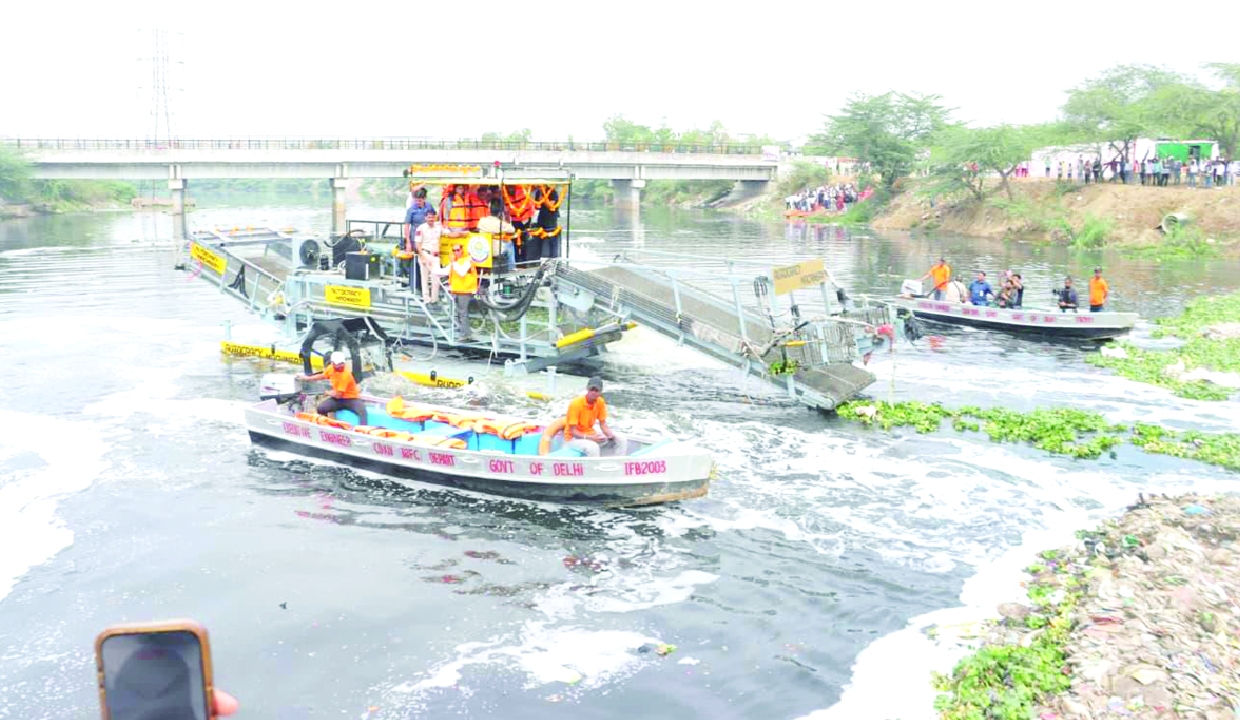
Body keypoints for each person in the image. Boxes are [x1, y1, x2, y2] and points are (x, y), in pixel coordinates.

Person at [297, 351, 367, 425]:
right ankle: (325, 424)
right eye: (337, 364)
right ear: (332, 363)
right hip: (338, 400)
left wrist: (327, 392)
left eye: (341, 363)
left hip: (351, 399)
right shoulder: (330, 368)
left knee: (362, 412)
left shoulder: (345, 375)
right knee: (321, 408)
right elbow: (322, 376)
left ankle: (363, 430)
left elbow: (338, 394)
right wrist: (307, 378)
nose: (340, 366)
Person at [563, 376, 617, 458]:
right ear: (587, 389)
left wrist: (609, 434)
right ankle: (594, 468)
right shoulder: (576, 404)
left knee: (620, 439)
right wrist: (591, 438)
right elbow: (573, 431)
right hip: (572, 438)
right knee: (593, 447)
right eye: (591, 389)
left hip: (590, 434)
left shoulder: (600, 402)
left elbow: (603, 424)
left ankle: (616, 463)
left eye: (596, 390)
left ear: (600, 392)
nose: (593, 392)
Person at [402, 190, 435, 289]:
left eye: (420, 201)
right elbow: (407, 226)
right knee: (415, 262)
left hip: (427, 239)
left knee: (426, 260)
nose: (418, 203)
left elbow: (433, 218)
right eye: (416, 200)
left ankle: (425, 285)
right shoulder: (411, 209)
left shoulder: (429, 206)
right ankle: (414, 285)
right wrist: (408, 242)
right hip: (415, 238)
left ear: (424, 199)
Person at [447, 243, 478, 342]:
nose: (456, 252)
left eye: (458, 250)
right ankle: (465, 333)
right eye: (454, 250)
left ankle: (465, 334)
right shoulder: (456, 261)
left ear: (462, 250)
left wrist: (453, 262)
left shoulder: (468, 260)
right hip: (457, 289)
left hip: (465, 290)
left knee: (463, 313)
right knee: (460, 313)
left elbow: (461, 272)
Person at [414, 210, 443, 304]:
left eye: (432, 217)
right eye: (429, 217)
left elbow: (449, 233)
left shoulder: (439, 227)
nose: (431, 219)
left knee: (436, 279)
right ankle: (426, 298)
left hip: (435, 256)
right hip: (425, 253)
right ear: (425, 218)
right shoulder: (421, 228)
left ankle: (435, 299)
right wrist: (422, 257)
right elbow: (417, 243)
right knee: (425, 278)